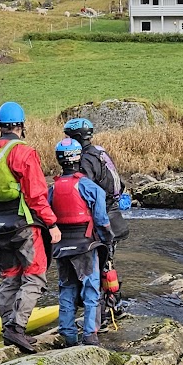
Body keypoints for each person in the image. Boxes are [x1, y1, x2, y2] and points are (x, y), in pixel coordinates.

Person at [0, 101, 59, 353]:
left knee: (10, 276)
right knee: (34, 274)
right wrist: (52, 224)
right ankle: (17, 328)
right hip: (25, 224)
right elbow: (36, 194)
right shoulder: (24, 152)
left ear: (1, 125)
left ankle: (7, 329)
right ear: (21, 126)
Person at [63, 116, 130, 330]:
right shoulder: (100, 153)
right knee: (107, 265)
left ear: (76, 137)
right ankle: (115, 307)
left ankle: (98, 318)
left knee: (97, 268)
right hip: (115, 217)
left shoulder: (84, 160)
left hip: (101, 221)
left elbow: (86, 191)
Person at [47, 138, 111, 346]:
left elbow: (46, 216)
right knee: (90, 288)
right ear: (78, 158)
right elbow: (101, 218)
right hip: (86, 246)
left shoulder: (53, 189)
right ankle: (90, 335)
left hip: (61, 247)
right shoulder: (88, 186)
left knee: (66, 287)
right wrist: (107, 238)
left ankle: (68, 335)